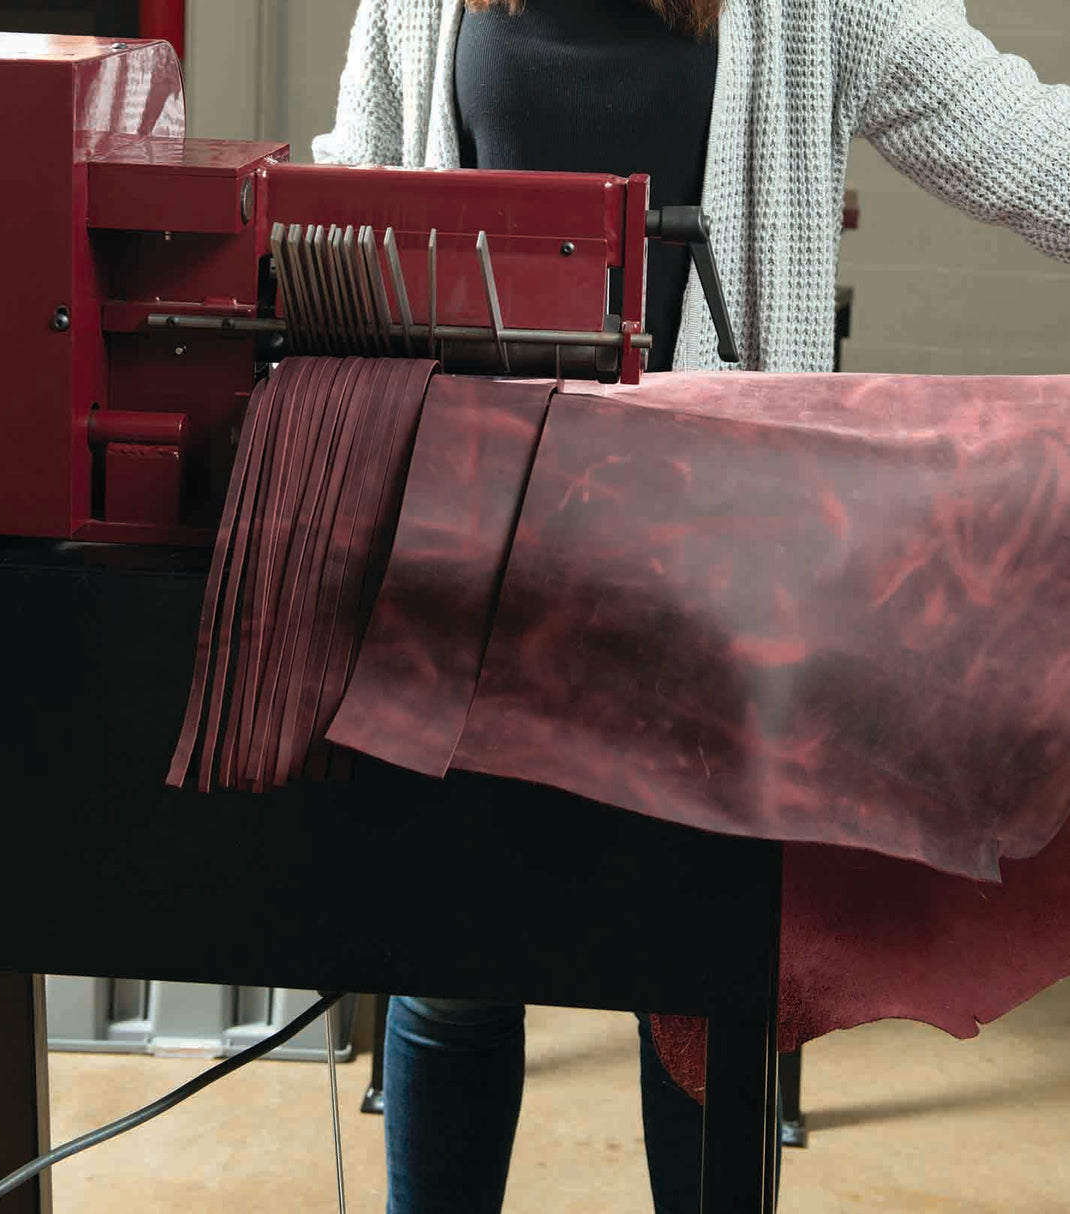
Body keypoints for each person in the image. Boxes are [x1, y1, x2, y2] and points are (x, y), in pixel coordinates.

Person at [313, 1, 1070, 1211]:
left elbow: (1034, 152)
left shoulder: (811, 9)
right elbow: (345, 194)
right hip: (471, 550)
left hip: (710, 582)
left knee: (697, 984)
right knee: (450, 971)